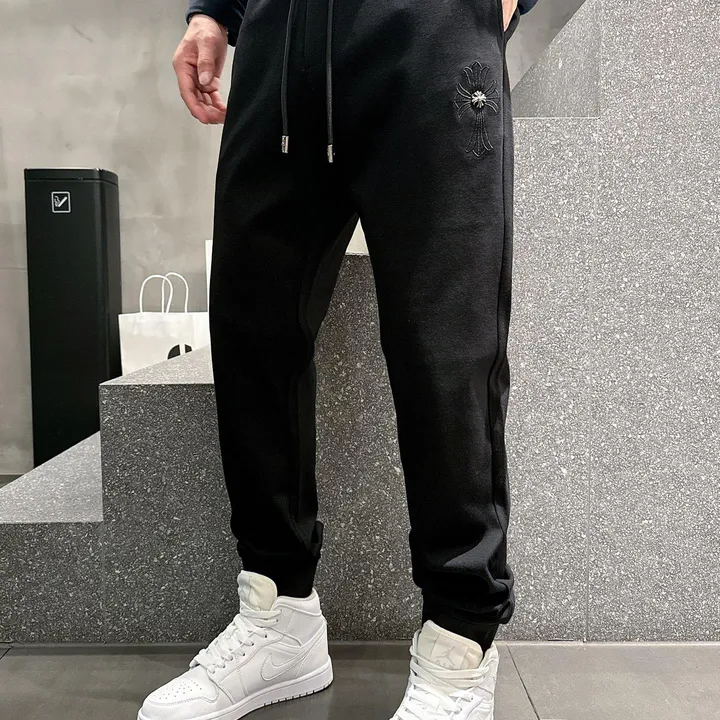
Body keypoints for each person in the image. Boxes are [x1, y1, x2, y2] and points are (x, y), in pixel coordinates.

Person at [138, 0, 538, 718]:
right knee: (252, 335)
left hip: (429, 35)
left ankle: (459, 643)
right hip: (279, 49)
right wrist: (213, 13)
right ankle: (278, 615)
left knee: (446, 352)